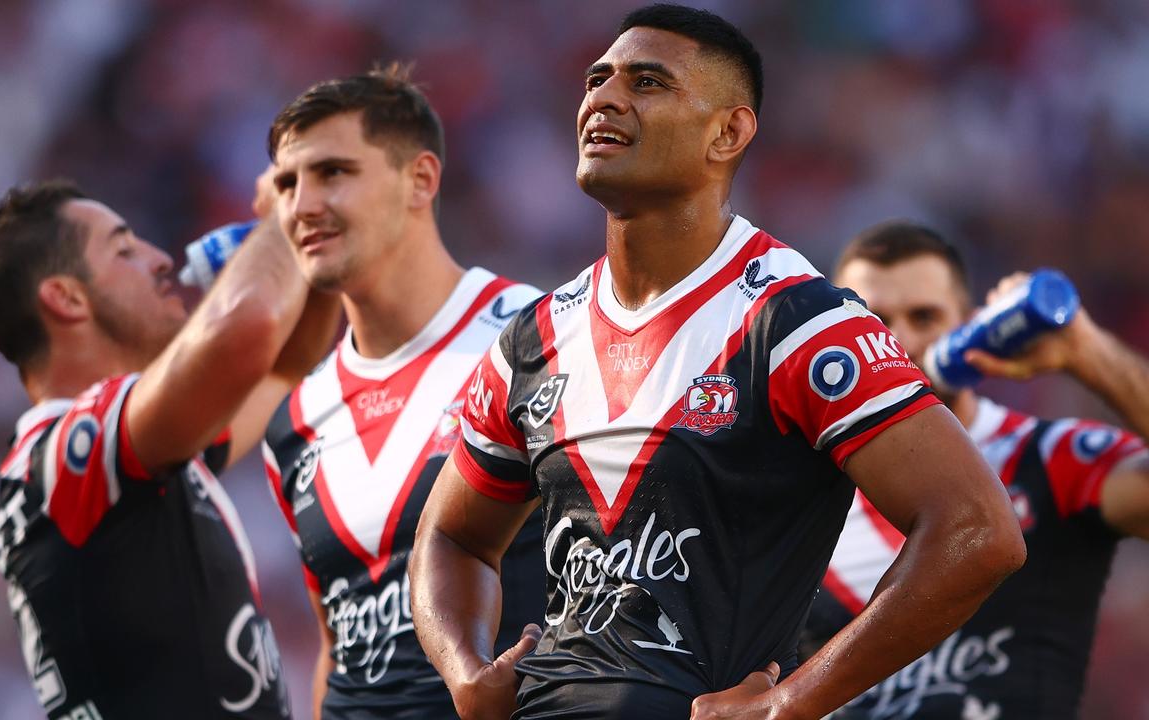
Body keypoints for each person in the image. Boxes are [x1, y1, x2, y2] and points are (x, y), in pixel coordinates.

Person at [408, 5, 1027, 720]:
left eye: (646, 82)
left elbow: (977, 531)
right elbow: (451, 534)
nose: (603, 99)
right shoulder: (535, 337)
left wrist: (791, 703)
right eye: (596, 78)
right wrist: (465, 672)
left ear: (727, 133)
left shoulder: (796, 322)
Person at [0, 176, 339, 719]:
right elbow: (248, 330)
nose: (160, 259)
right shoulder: (60, 458)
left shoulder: (135, 460)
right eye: (124, 249)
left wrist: (322, 247)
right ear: (65, 297)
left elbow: (285, 364)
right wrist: (289, 206)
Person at [260, 67, 546, 720]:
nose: (301, 205)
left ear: (421, 179)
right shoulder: (294, 420)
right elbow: (337, 645)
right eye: (286, 183)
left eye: (333, 172)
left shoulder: (537, 335)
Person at [801, 221, 1149, 720]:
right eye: (873, 321)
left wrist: (1089, 353)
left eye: (924, 316)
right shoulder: (796, 496)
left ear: (968, 324)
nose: (899, 341)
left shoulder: (1050, 458)